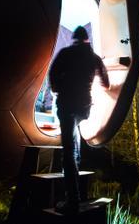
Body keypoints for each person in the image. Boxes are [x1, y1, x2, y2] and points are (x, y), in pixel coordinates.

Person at [48, 25, 109, 214]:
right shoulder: (94, 58)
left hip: (67, 105)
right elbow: (105, 83)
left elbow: (53, 74)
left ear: (75, 38)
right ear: (87, 39)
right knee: (74, 145)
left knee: (68, 153)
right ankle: (76, 194)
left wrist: (58, 89)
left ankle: (72, 200)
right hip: (84, 108)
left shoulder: (66, 53)